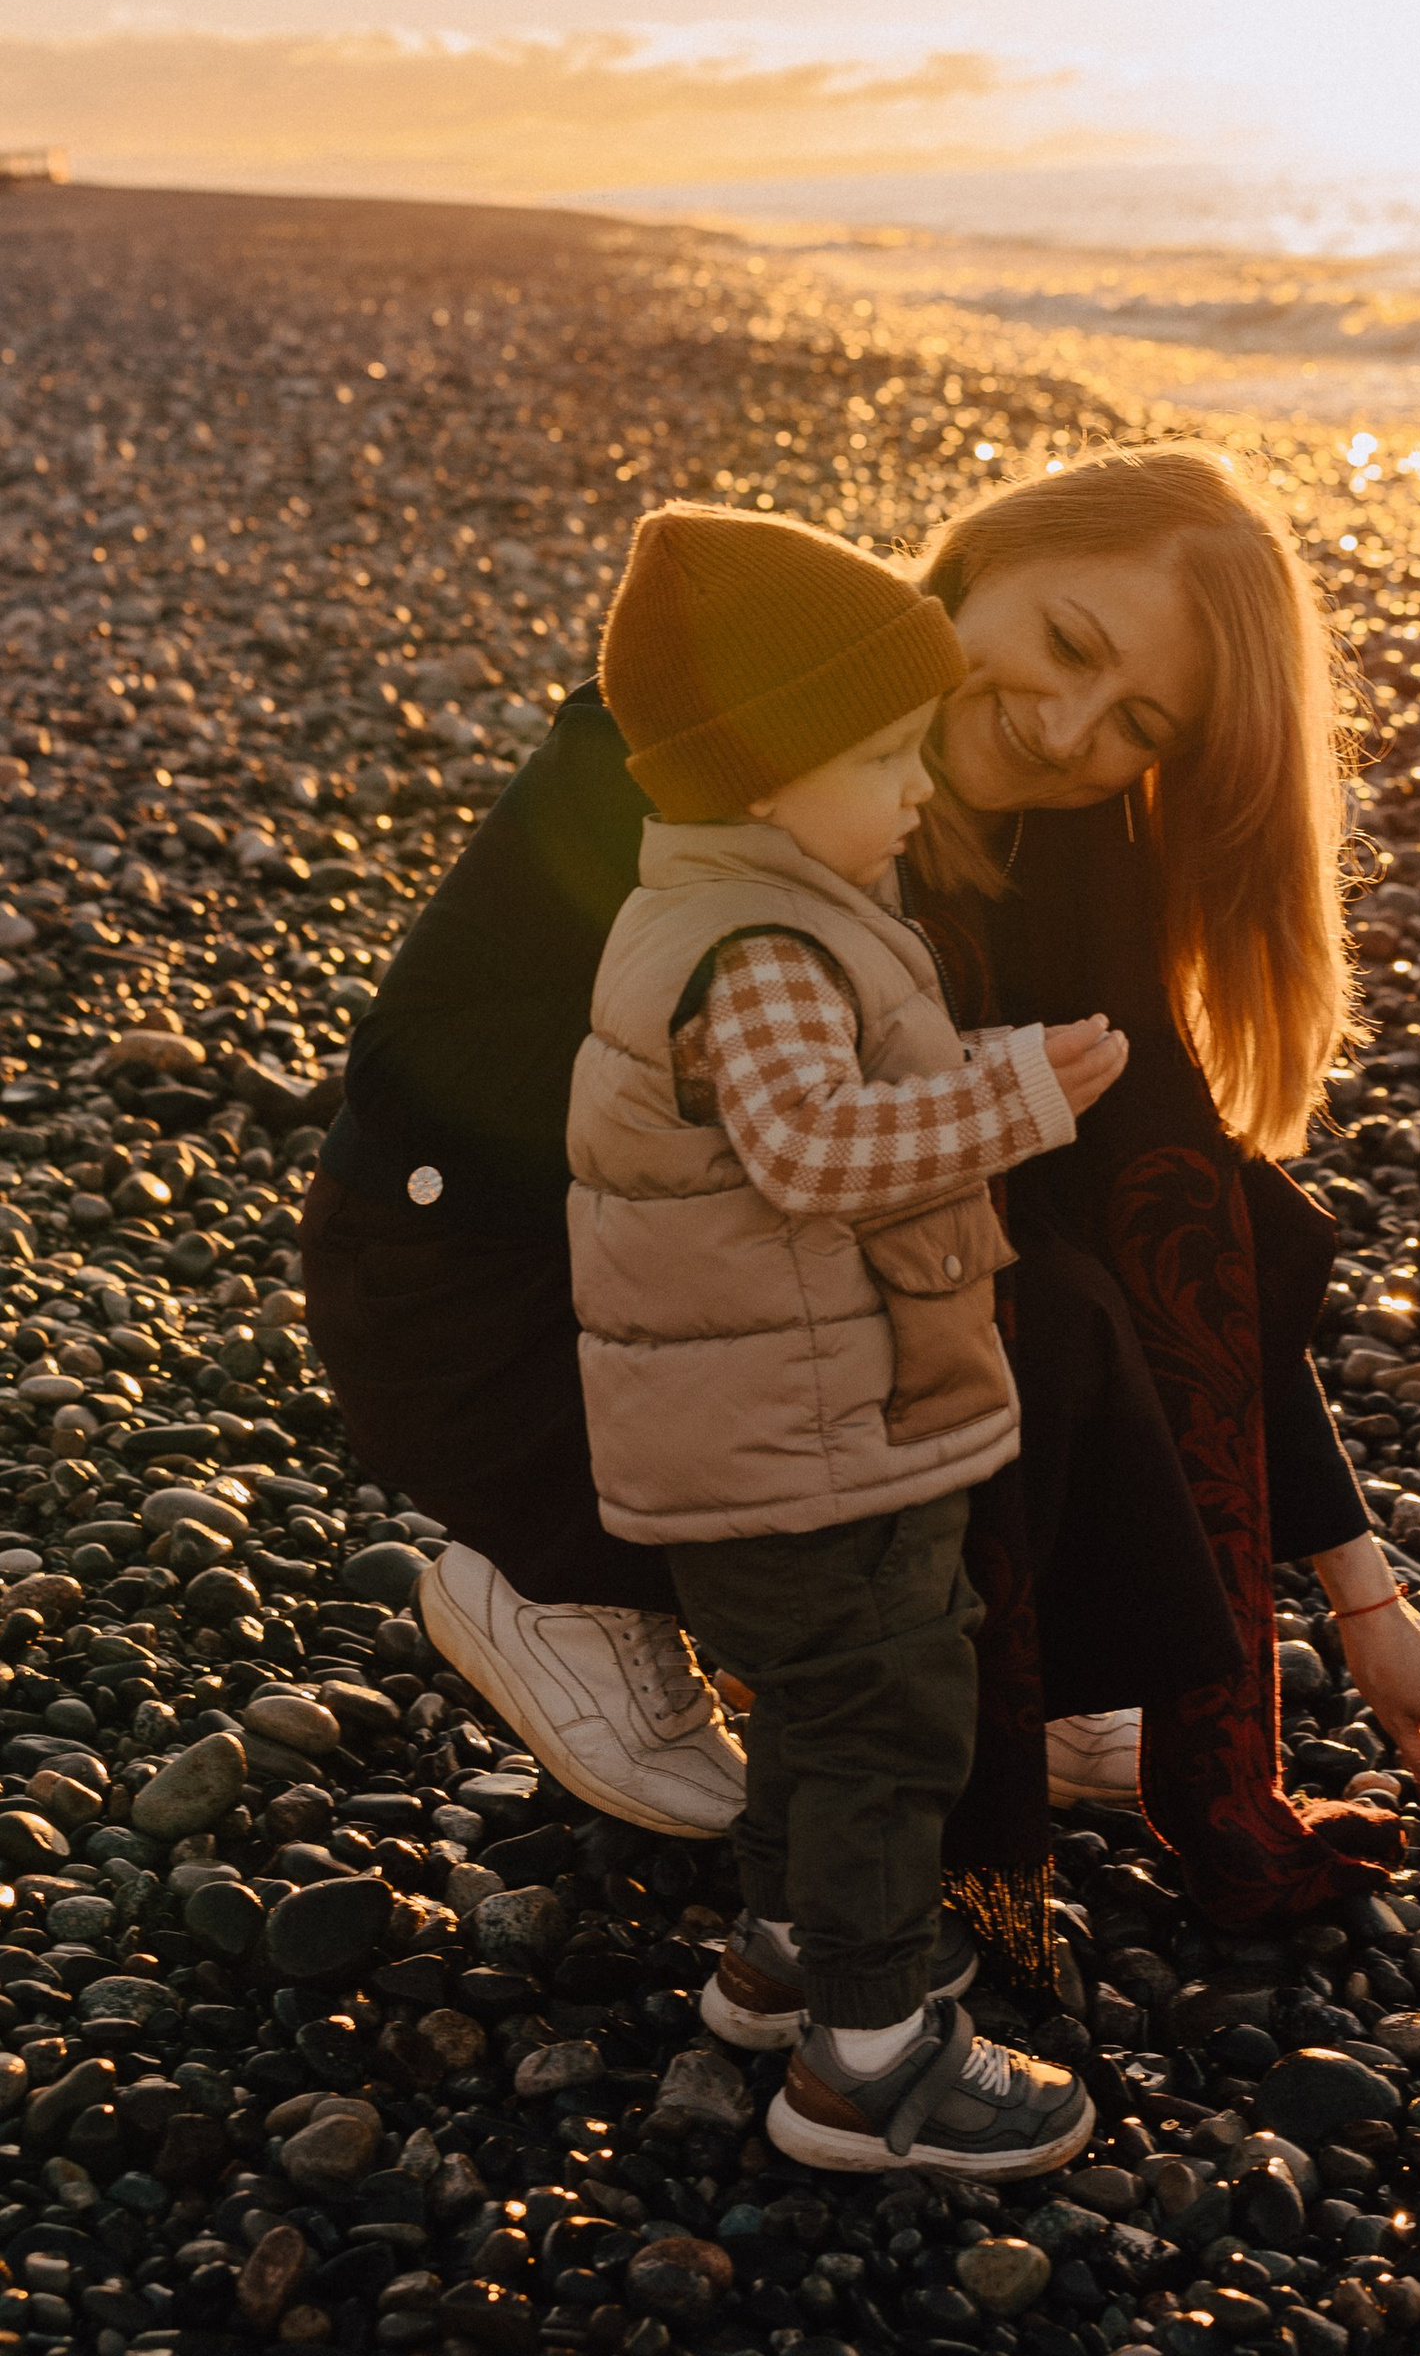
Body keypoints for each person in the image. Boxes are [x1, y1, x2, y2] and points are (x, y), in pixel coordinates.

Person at [302, 441, 1420, 1938]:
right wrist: (792, 1121)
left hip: (756, 1298)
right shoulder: (734, 720)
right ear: (979, 560)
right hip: (488, 1297)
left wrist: (1366, 1602)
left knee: (1076, 1254)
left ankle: (1052, 1638)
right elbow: (424, 1070)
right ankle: (561, 1580)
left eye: (1137, 724)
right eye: (1068, 643)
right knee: (982, 1265)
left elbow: (1183, 1230)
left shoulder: (1068, 839)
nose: (1067, 728)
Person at [573, 500, 1115, 2174]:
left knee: (815, 1711)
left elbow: (833, 1106)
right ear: (758, 774)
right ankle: (867, 2064)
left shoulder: (746, 909)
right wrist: (1013, 1099)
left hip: (774, 1426)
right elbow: (814, 1149)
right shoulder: (763, 945)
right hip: (813, 1441)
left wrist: (983, 1069)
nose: (923, 787)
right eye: (886, 759)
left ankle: (785, 1953)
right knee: (885, 1716)